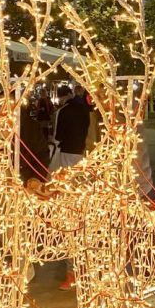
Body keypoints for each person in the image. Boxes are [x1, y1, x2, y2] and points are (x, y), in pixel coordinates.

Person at [51, 85, 91, 291]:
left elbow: (57, 138)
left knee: (70, 212)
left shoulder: (64, 112)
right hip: (85, 157)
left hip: (67, 155)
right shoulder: (87, 110)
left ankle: (72, 271)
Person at [52, 85, 91, 169]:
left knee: (66, 175)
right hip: (81, 147)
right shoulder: (84, 108)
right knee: (79, 175)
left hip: (67, 149)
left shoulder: (62, 110)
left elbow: (58, 134)